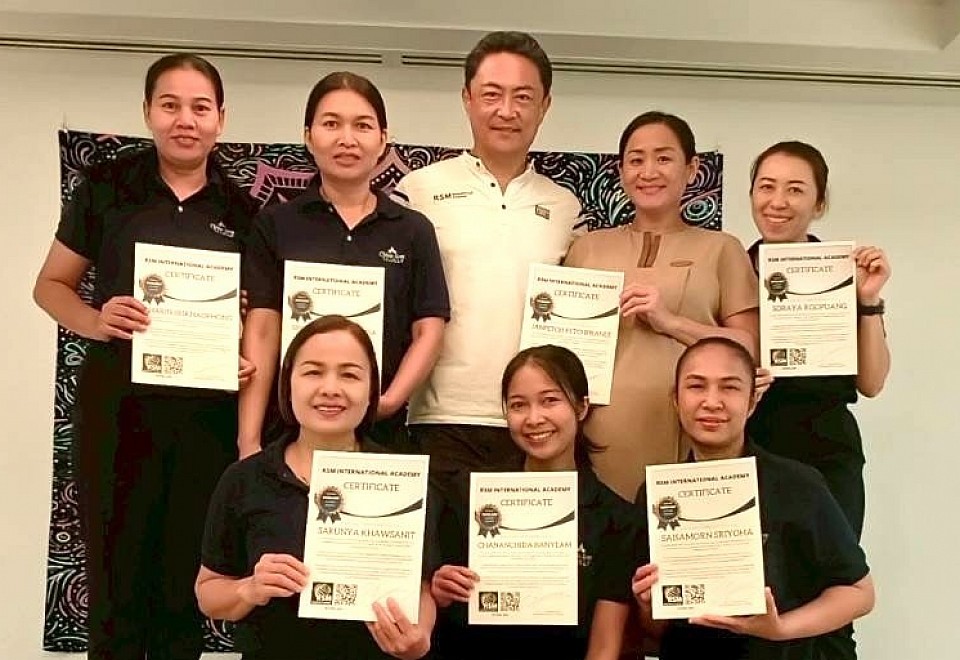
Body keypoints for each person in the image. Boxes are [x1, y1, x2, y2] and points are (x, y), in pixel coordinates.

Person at [32, 54, 255, 659]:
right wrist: (96, 320)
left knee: (184, 584)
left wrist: (236, 350)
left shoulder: (241, 209)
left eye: (200, 108)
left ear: (221, 118)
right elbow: (49, 286)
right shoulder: (108, 187)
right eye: (170, 105)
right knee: (114, 580)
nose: (186, 120)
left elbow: (257, 317)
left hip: (203, 419)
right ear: (148, 112)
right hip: (117, 413)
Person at [393, 31, 583, 482]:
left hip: (534, 426)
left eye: (523, 97)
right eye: (492, 94)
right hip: (437, 420)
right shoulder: (418, 191)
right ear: (467, 98)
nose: (507, 110)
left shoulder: (566, 208)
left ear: (545, 105)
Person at [197, 315, 435, 660]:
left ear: (371, 389)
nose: (330, 388)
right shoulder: (245, 479)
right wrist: (249, 588)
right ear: (288, 383)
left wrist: (419, 637)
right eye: (313, 372)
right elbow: (208, 593)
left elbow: (422, 588)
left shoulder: (404, 480)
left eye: (350, 375)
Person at [239, 71, 449, 456]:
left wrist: (388, 401)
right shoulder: (275, 224)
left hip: (380, 436)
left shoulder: (413, 230)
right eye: (331, 124)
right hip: (288, 433)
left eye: (362, 126)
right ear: (308, 136)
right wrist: (248, 439)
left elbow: (430, 329)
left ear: (383, 139)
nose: (347, 139)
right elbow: (263, 330)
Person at [632, 336, 875, 660]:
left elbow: (860, 592)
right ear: (676, 400)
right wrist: (647, 604)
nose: (712, 402)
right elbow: (656, 631)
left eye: (729, 387)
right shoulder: (657, 494)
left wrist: (780, 628)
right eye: (696, 386)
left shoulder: (797, 484)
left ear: (751, 402)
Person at [563, 111, 758, 502]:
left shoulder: (722, 249)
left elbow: (748, 348)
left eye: (664, 158)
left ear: (692, 169)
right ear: (621, 171)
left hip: (690, 431)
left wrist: (671, 322)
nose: (648, 171)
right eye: (636, 160)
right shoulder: (586, 248)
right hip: (598, 433)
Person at [744, 141, 891, 659]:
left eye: (795, 189)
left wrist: (868, 300)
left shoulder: (841, 271)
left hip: (826, 453)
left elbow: (872, 381)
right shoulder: (733, 267)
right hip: (752, 446)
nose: (777, 201)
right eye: (766, 187)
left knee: (831, 589)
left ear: (819, 202)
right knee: (755, 589)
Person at [428, 345, 642, 660]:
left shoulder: (615, 519)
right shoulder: (467, 494)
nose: (534, 418)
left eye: (550, 400)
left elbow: (603, 648)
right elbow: (435, 607)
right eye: (518, 405)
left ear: (581, 407)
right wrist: (439, 591)